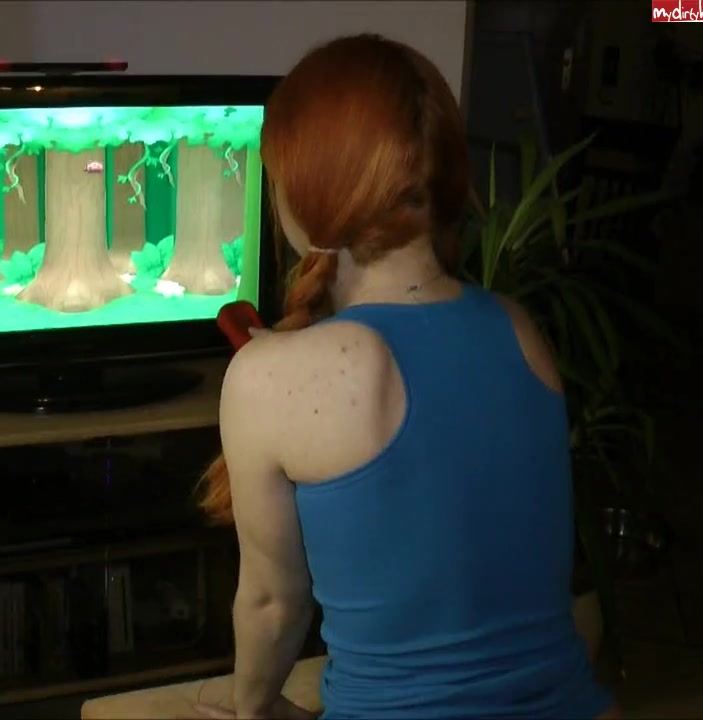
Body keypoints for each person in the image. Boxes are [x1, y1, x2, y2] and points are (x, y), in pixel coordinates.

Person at [193, 35, 621, 720]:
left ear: (308, 191)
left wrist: (254, 709)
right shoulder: (520, 329)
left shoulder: (266, 374)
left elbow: (273, 604)